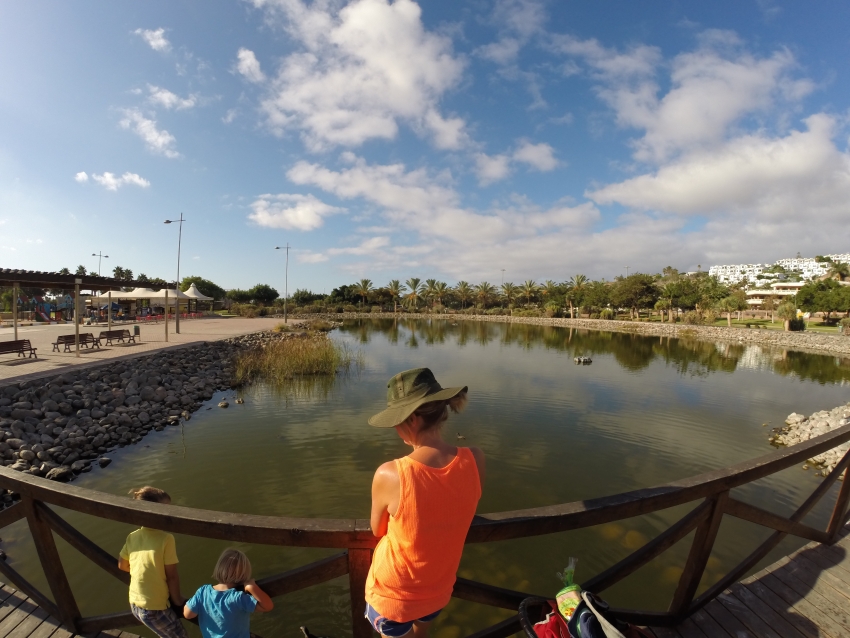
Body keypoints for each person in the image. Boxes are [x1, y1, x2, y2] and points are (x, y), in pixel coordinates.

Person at [365, 367, 485, 638]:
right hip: (438, 590)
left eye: (397, 420)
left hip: (394, 595)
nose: (395, 428)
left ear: (412, 420)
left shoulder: (391, 473)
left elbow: (377, 530)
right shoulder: (475, 459)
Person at [118, 486, 188, 638]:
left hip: (135, 603)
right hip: (154, 608)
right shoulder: (166, 539)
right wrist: (177, 600)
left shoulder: (133, 536)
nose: (169, 514)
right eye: (164, 511)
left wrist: (145, 572)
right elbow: (172, 576)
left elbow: (122, 565)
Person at [184, 548, 274, 638]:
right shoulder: (238, 598)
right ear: (244, 575)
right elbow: (267, 606)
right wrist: (252, 587)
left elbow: (188, 614)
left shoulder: (203, 592)